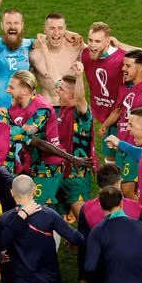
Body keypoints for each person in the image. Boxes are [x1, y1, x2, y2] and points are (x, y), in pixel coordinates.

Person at [100, 50, 142, 199]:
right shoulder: (125, 87)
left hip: (137, 147)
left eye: (128, 65)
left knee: (126, 190)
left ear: (139, 67)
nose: (123, 69)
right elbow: (119, 110)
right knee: (122, 189)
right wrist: (105, 125)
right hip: (121, 145)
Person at [5, 71, 66, 206]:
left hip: (48, 167)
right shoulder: (14, 108)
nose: (7, 90)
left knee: (36, 208)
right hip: (30, 163)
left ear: (25, 91)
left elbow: (28, 131)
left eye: (11, 87)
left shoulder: (42, 108)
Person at [80, 22, 126, 164]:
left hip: (124, 118)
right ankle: (110, 186)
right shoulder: (86, 55)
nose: (92, 45)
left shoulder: (122, 59)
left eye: (98, 41)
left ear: (107, 42)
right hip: (104, 116)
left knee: (125, 159)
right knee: (109, 156)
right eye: (90, 40)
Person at [55, 63, 94, 218]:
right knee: (59, 216)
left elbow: (80, 99)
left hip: (77, 175)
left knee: (84, 220)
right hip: (60, 170)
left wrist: (79, 76)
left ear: (72, 95)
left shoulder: (82, 114)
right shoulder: (61, 111)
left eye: (61, 89)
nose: (57, 90)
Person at [28, 13, 83, 106]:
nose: (56, 33)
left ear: (65, 29)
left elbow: (98, 50)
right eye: (52, 28)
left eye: (60, 28)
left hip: (72, 110)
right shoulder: (34, 55)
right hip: (48, 109)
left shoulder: (76, 48)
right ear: (44, 29)